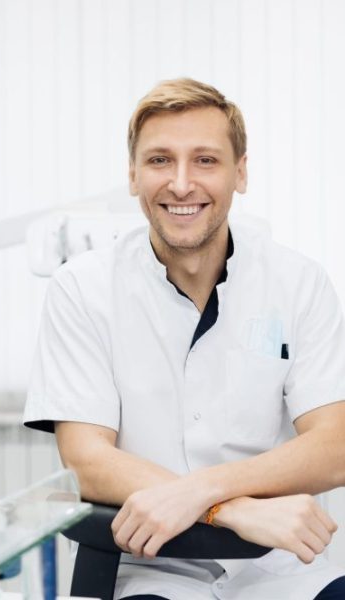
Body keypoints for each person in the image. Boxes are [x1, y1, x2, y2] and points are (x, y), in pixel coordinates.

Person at [23, 78, 345, 599]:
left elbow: (336, 447)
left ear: (240, 172)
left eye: (205, 160)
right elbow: (87, 461)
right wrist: (231, 511)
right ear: (132, 175)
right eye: (158, 161)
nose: (180, 183)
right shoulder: (82, 289)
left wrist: (204, 490)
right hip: (149, 565)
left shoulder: (299, 283)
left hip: (277, 567)